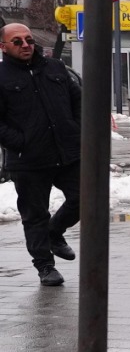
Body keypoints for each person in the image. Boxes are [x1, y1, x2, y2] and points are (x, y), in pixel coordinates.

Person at [0, 23, 81, 286]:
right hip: (29, 160)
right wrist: (21, 142)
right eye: (17, 41)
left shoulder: (55, 67)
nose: (25, 45)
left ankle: (54, 232)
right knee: (35, 215)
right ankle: (45, 266)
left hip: (67, 152)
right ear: (3, 47)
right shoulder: (2, 76)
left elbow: (78, 101)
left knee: (86, 197)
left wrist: (77, 129)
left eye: (29, 40)